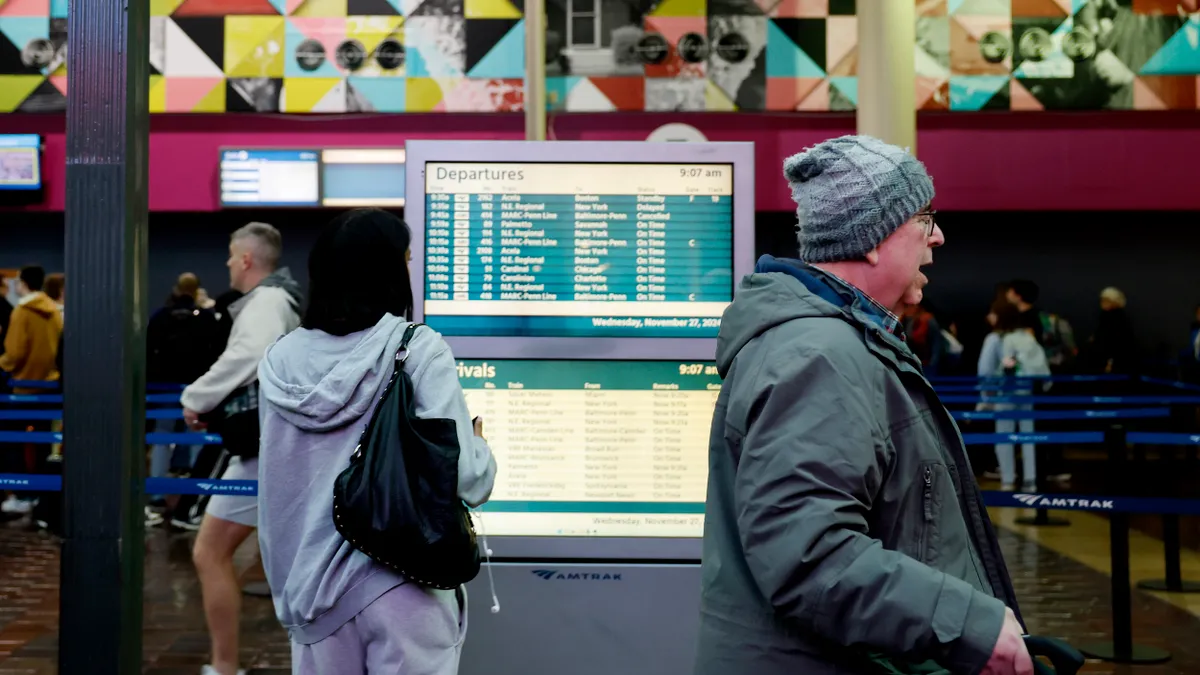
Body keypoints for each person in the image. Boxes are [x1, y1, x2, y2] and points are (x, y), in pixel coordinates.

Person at [696, 136, 1031, 675]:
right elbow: (809, 555)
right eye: (925, 218)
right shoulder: (818, 356)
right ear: (873, 239)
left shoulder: (836, 345)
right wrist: (970, 624)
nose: (937, 237)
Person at [257, 208, 496, 674]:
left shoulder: (279, 363)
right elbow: (468, 480)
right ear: (387, 269)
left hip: (312, 602)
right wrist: (479, 446)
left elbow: (278, 487)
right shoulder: (416, 348)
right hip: (404, 587)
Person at [181, 223, 303, 675]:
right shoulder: (281, 300)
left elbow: (249, 355)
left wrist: (195, 398)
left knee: (209, 552)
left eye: (233, 256)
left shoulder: (267, 302)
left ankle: (224, 666)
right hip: (277, 449)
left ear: (247, 259)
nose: (229, 264)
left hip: (265, 453)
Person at [0, 266, 64, 519]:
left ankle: (20, 495)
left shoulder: (22, 312)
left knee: (12, 443)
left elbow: (14, 353)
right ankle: (39, 494)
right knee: (43, 442)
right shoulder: (54, 312)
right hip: (48, 386)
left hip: (23, 387)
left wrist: (2, 365)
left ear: (22, 283)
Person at [979, 301, 1050, 492]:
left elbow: (985, 371)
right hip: (1028, 393)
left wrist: (986, 397)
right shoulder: (1026, 337)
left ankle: (1008, 480)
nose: (989, 317)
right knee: (1028, 437)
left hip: (1004, 394)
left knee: (1004, 437)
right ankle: (1030, 480)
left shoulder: (995, 338)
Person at [1006, 280, 1076, 373]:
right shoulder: (1010, 319)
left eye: (1009, 291)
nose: (1007, 295)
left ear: (1018, 296)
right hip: (1022, 369)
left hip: (1045, 368)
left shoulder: (1047, 320)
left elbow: (1069, 346)